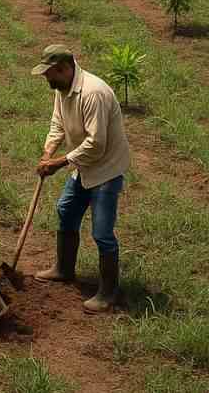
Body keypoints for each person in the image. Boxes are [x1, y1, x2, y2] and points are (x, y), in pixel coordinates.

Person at [31, 45, 130, 313]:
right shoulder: (62, 89)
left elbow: (96, 144)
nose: (47, 80)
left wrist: (60, 162)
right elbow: (57, 122)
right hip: (83, 165)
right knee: (66, 210)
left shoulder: (93, 93)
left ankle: (109, 292)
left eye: (49, 74)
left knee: (102, 232)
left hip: (105, 169)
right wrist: (48, 151)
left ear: (65, 69)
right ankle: (64, 269)